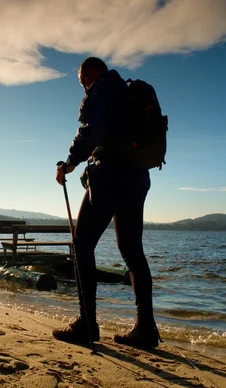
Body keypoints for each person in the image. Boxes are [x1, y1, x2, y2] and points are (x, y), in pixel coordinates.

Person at [53, 57, 160, 349]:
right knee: (132, 252)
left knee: (82, 244)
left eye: (82, 82)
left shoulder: (101, 90)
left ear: (90, 73)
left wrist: (71, 161)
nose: (84, 87)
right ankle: (146, 328)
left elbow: (92, 131)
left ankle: (87, 324)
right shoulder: (127, 92)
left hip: (110, 176)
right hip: (137, 177)